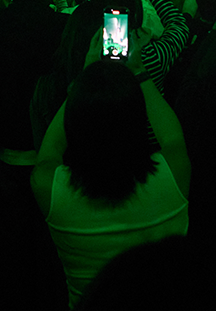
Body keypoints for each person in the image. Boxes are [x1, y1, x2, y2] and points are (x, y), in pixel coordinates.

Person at [32, 53, 190, 309]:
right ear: (139, 119)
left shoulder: (50, 188)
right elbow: (172, 136)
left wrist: (84, 78)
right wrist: (138, 71)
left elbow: (50, 150)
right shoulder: (173, 172)